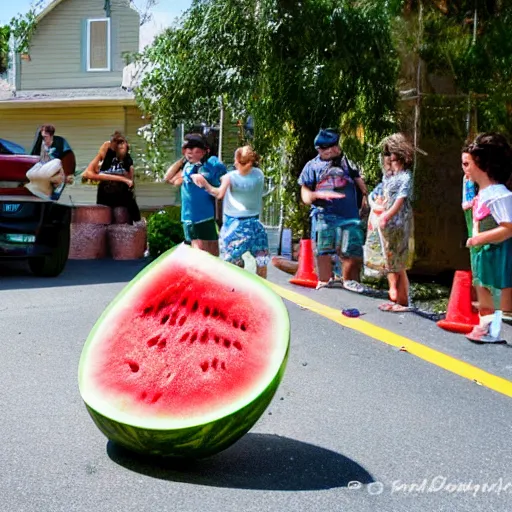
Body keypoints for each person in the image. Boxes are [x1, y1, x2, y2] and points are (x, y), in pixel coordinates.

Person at [298, 128, 368, 291]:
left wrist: (365, 199)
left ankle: (351, 280)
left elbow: (360, 183)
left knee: (352, 247)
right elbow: (305, 192)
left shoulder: (347, 162)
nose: (332, 150)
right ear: (320, 149)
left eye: (334, 146)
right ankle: (325, 279)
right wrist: (316, 195)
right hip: (324, 214)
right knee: (324, 248)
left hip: (349, 214)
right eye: (326, 148)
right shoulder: (312, 166)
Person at [462, 133, 512, 343]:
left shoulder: (499, 195)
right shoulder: (482, 192)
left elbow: (508, 228)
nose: (465, 169)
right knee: (483, 286)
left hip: (496, 253)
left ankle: (498, 329)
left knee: (496, 287)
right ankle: (487, 324)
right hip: (484, 253)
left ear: (482, 164)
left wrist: (478, 238)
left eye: (468, 163)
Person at [193, 145, 270, 278]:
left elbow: (218, 194)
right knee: (261, 259)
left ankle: (236, 286)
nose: (234, 163)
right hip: (255, 225)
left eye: (237, 161)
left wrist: (204, 182)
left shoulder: (230, 177)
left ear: (246, 163)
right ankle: (263, 286)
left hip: (235, 225)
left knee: (231, 261)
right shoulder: (259, 175)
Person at [375, 134, 415, 313]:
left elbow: (401, 198)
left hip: (399, 221)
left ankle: (404, 301)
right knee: (392, 260)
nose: (389, 157)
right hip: (388, 222)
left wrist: (387, 215)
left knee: (398, 260)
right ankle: (398, 299)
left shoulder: (405, 176)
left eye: (391, 153)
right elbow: (385, 195)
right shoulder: (389, 176)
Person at [176, 134, 227, 256]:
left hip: (208, 217)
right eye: (187, 150)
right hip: (192, 218)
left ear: (204, 151)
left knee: (214, 254)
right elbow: (194, 176)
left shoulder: (212, 164)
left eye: (195, 150)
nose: (190, 153)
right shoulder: (189, 168)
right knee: (199, 256)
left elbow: (223, 177)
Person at [83, 132, 141, 224]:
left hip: (122, 199)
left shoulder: (128, 160)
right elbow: (87, 174)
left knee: (127, 222)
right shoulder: (105, 155)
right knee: (105, 222)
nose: (120, 145)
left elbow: (130, 182)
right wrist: (122, 179)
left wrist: (125, 179)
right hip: (105, 197)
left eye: (122, 142)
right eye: (116, 142)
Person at [25, 124, 73, 200]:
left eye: (45, 137)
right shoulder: (42, 143)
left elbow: (68, 157)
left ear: (51, 135)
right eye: (42, 137)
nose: (43, 139)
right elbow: (35, 155)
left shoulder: (59, 142)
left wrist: (68, 173)